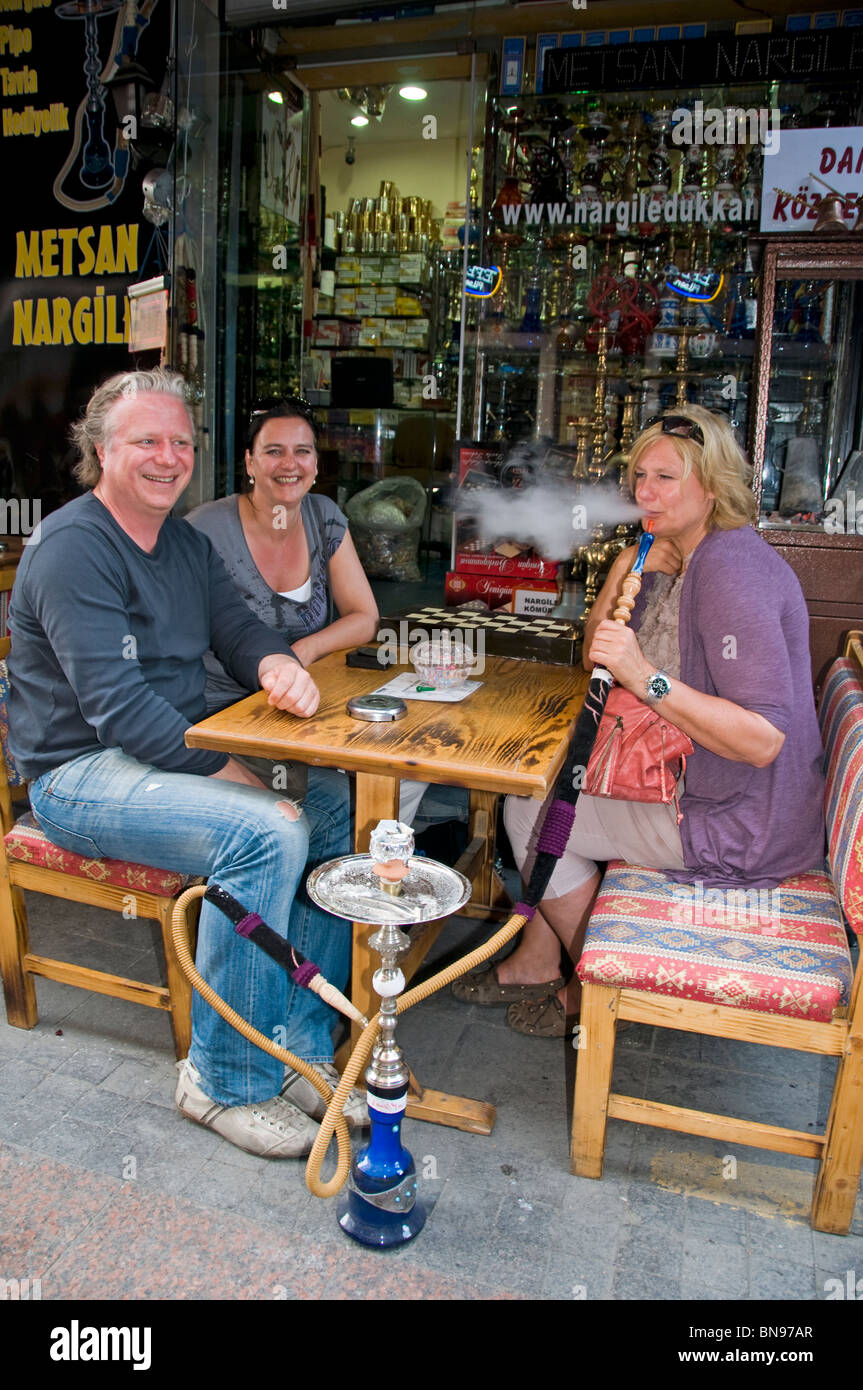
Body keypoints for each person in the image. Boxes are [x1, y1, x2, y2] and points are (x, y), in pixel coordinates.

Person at [8, 368, 366, 1157]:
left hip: (166, 745)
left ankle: (294, 1044)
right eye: (146, 441)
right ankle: (222, 1080)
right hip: (79, 775)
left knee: (338, 802)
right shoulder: (72, 547)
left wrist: (274, 664)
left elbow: (238, 631)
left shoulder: (182, 542)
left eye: (180, 441)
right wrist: (230, 778)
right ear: (101, 450)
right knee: (263, 832)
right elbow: (117, 707)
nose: (168, 457)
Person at [453, 405, 826, 1037]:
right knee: (551, 786)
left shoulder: (731, 571)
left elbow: (762, 740)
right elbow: (600, 646)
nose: (644, 492)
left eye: (666, 479)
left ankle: (599, 989)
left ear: (714, 487)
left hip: (739, 821)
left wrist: (644, 677)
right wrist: (628, 568)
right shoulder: (682, 553)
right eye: (639, 478)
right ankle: (543, 960)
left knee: (535, 815)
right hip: (704, 786)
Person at [184, 399, 378, 801]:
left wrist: (302, 651)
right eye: (274, 451)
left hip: (301, 708)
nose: (290, 464)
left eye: (302, 451)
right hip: (224, 715)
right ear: (250, 462)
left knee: (400, 768)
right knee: (343, 796)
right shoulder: (205, 530)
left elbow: (365, 617)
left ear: (316, 464)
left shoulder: (322, 515)